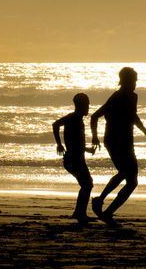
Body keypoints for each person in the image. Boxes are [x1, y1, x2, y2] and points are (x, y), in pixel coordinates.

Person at [90, 67, 146, 226]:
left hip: (122, 141)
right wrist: (94, 137)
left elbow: (132, 117)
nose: (136, 83)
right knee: (130, 179)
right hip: (117, 141)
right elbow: (96, 116)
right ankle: (105, 209)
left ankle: (101, 202)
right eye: (134, 80)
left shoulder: (126, 96)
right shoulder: (121, 96)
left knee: (127, 177)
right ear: (126, 81)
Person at [52, 93, 96, 225]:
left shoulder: (76, 118)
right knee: (87, 184)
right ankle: (79, 213)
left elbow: (75, 142)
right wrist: (59, 144)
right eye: (87, 104)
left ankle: (79, 212)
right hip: (73, 159)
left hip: (75, 157)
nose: (88, 107)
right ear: (80, 105)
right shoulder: (73, 118)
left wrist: (87, 149)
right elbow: (55, 125)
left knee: (87, 184)